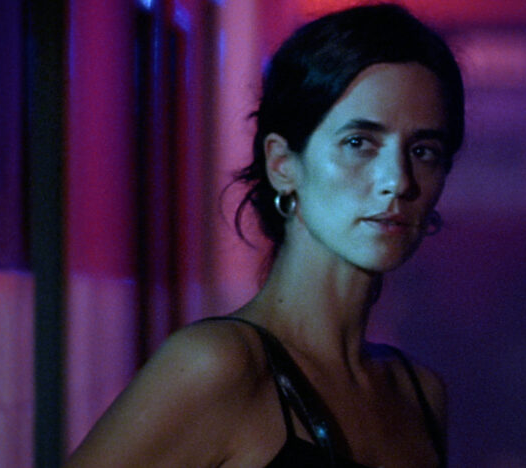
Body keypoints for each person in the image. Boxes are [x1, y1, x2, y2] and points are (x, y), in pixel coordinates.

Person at [65, 3, 464, 467]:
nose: (397, 181)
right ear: (282, 164)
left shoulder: (419, 394)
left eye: (424, 151)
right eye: (359, 143)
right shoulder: (221, 367)